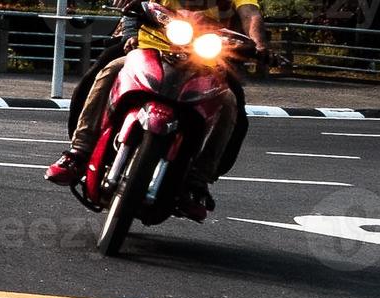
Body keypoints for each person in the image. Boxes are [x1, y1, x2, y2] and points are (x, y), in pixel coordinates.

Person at [45, 0, 268, 219]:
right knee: (109, 69)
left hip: (206, 63)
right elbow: (134, 6)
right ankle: (78, 152)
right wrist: (129, 31)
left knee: (230, 102)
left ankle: (198, 182)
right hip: (149, 47)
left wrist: (259, 45)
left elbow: (251, 14)